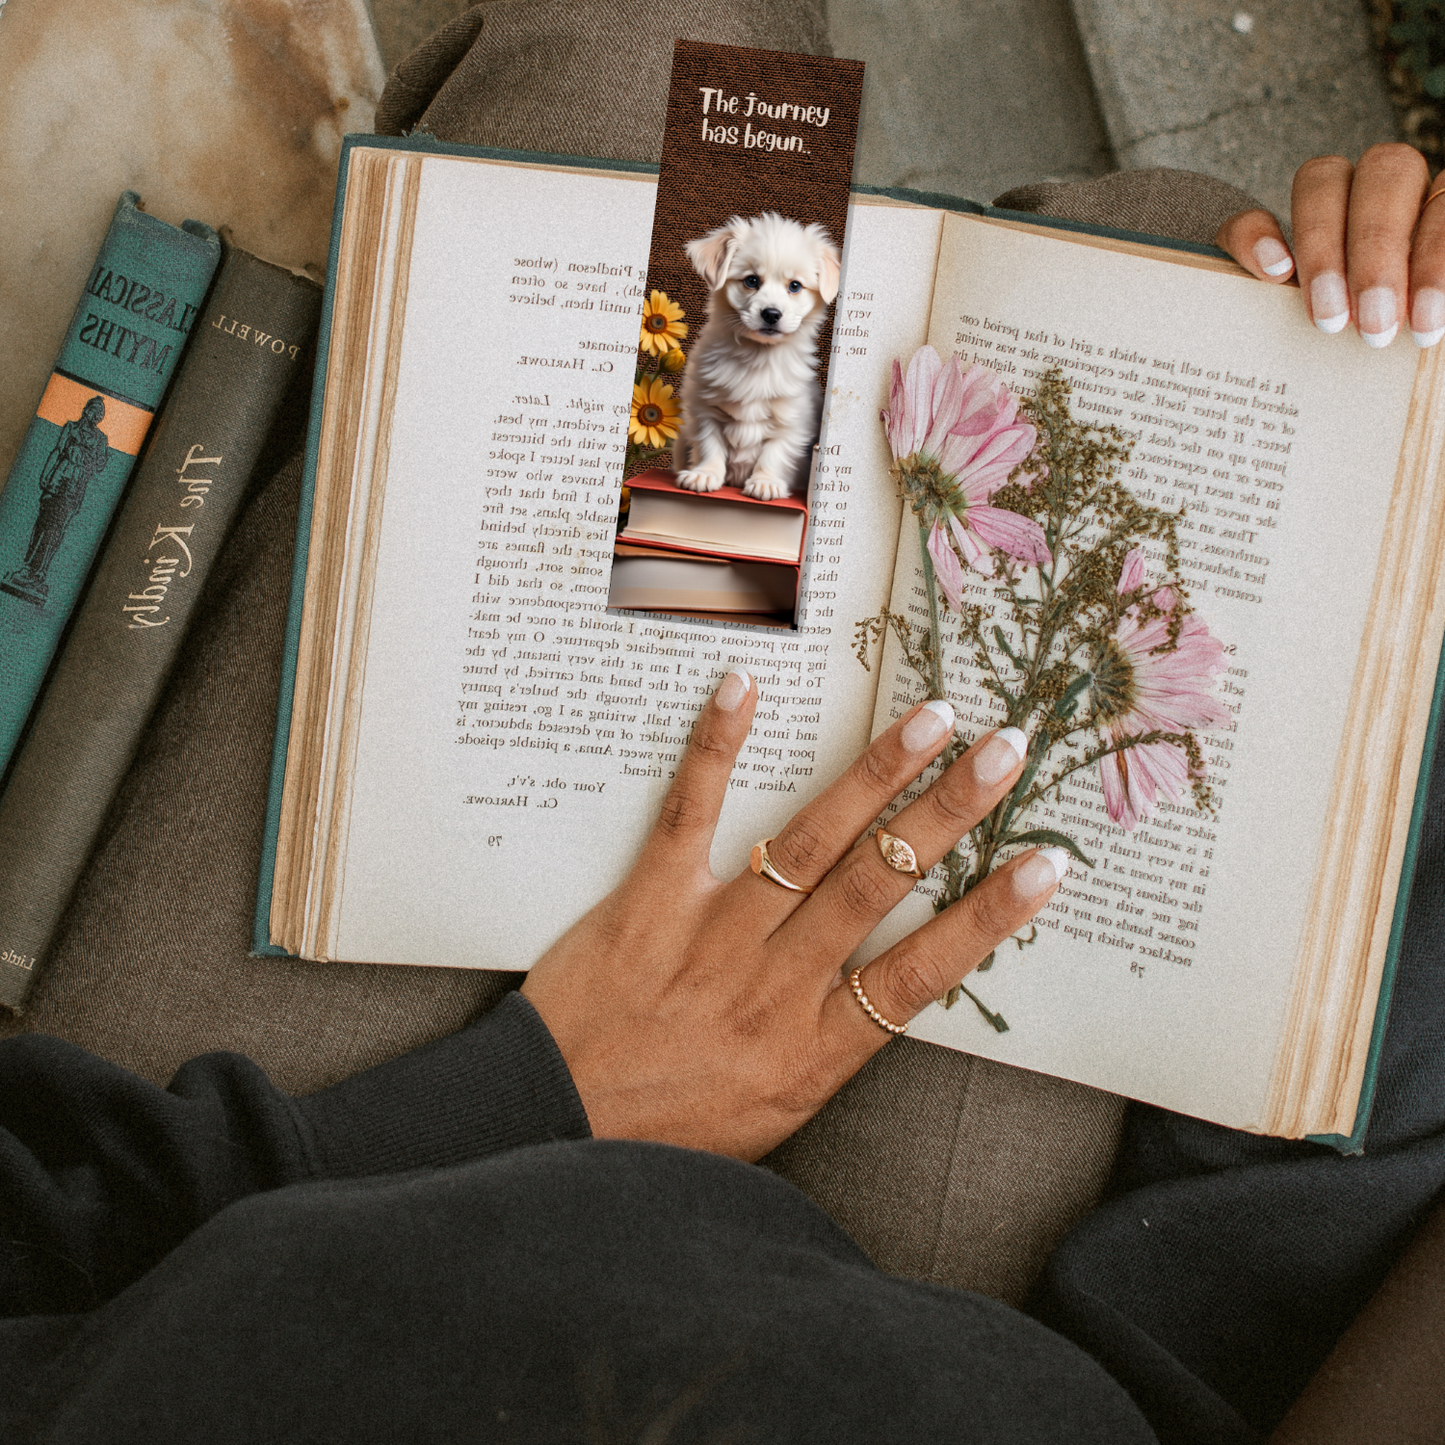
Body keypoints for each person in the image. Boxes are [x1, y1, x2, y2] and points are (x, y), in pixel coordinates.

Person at [2, 27, 1444, 1438]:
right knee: (1182, 264)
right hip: (936, 1329)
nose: (759, 296)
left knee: (671, 74)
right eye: (753, 285)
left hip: (221, 1257)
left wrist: (530, 1097)